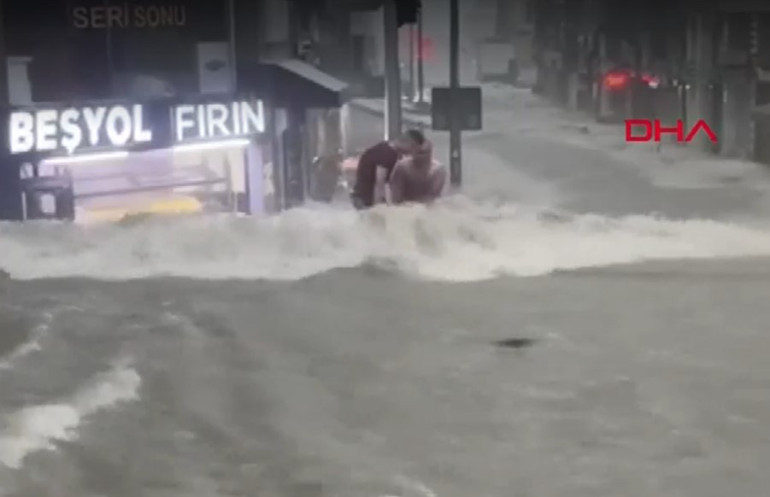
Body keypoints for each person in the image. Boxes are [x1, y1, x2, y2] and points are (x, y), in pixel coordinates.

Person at [350, 130, 424, 210]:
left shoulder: (387, 149)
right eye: (414, 149)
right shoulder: (387, 153)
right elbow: (379, 182)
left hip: (362, 196)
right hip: (364, 198)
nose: (412, 153)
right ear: (409, 143)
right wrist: (377, 208)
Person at [388, 138, 447, 205]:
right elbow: (396, 195)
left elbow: (434, 196)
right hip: (405, 206)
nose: (422, 157)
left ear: (431, 153)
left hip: (428, 207)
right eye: (419, 153)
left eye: (424, 153)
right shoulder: (402, 167)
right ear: (412, 152)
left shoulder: (438, 169)